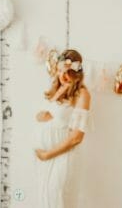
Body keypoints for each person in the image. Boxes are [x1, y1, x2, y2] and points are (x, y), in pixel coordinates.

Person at [35, 49, 91, 208]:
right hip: (46, 160)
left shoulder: (82, 94)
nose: (61, 76)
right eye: (59, 71)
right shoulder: (59, 89)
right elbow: (43, 115)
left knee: (57, 200)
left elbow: (77, 137)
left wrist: (47, 155)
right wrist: (44, 115)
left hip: (61, 156)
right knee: (45, 200)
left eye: (66, 72)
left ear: (76, 72)